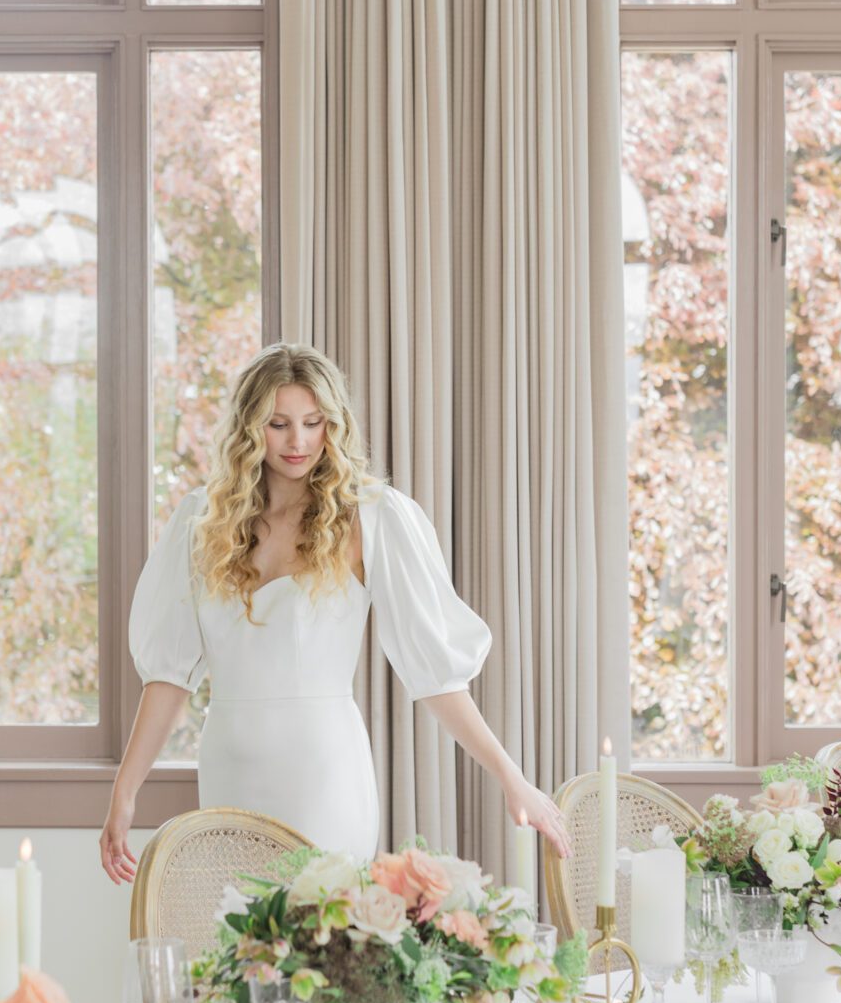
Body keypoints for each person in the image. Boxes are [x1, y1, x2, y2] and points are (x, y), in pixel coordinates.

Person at [99, 343, 568, 881]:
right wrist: (125, 791)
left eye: (312, 422)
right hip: (229, 767)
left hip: (323, 770)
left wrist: (511, 776)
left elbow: (434, 674)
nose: (297, 441)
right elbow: (168, 678)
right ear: (249, 429)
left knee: (326, 943)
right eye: (277, 424)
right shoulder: (200, 522)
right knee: (241, 952)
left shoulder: (370, 517)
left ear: (332, 424)